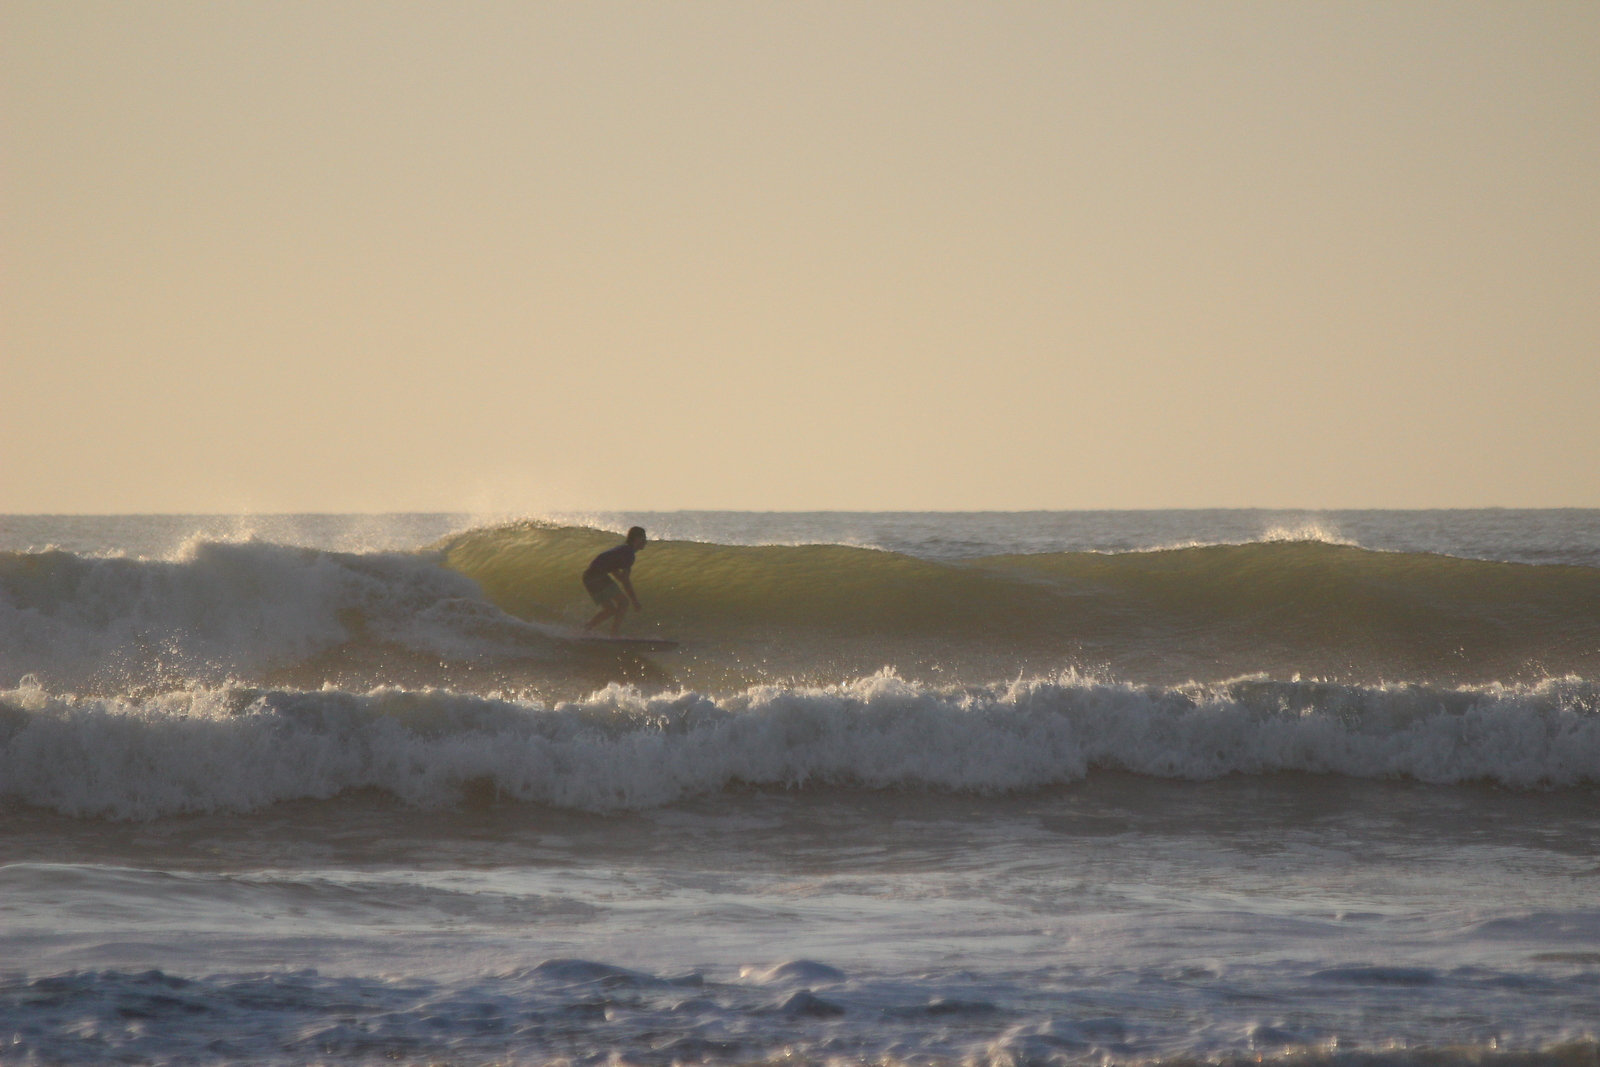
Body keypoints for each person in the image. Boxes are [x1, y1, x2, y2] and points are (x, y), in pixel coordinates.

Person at [583, 526, 647, 636]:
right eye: (644, 539)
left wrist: (623, 579)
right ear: (637, 539)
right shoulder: (629, 553)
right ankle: (614, 633)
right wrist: (635, 601)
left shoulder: (623, 549)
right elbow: (625, 582)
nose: (646, 542)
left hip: (588, 577)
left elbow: (615, 571)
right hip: (597, 576)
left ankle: (585, 630)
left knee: (610, 610)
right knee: (624, 603)